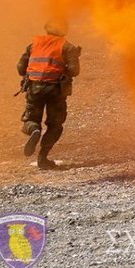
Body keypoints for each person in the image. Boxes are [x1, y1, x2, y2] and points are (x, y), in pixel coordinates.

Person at [16, 19, 81, 169]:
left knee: (31, 119)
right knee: (55, 125)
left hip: (34, 88)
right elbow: (74, 71)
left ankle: (34, 130)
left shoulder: (34, 45)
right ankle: (43, 158)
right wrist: (69, 63)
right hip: (56, 91)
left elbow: (20, 68)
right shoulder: (67, 46)